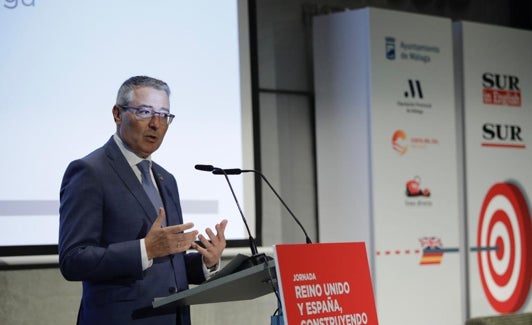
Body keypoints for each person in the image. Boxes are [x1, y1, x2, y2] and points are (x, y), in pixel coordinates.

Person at [58, 75, 228, 325]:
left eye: (164, 115)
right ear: (118, 114)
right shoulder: (89, 172)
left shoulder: (166, 178)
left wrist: (206, 262)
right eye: (145, 112)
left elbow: (167, 264)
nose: (156, 124)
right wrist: (144, 249)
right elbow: (73, 260)